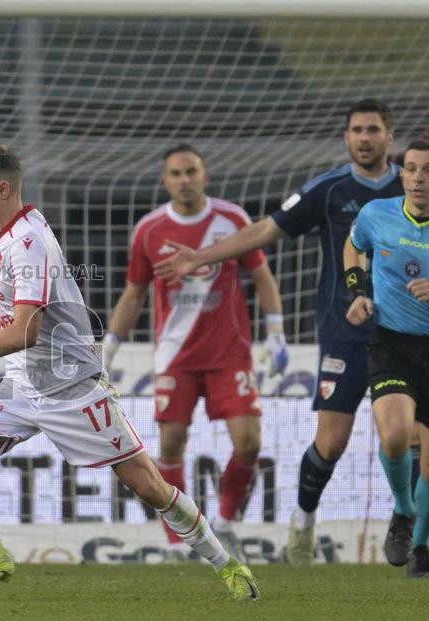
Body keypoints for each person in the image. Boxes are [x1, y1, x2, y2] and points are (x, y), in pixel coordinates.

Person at [0, 146, 259, 600]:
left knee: (150, 486)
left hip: (70, 389)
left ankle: (226, 563)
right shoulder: (2, 236)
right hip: (22, 386)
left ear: (3, 189)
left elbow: (26, 333)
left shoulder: (29, 243)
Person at [153, 99, 409, 566]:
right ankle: (304, 520)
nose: (365, 137)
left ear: (391, 137)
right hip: (345, 331)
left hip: (408, 332)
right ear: (346, 137)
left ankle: (410, 526)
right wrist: (202, 257)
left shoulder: (413, 184)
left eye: (374, 129)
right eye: (357, 130)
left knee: (408, 436)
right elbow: (268, 229)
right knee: (331, 441)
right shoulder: (329, 190)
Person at [104, 145, 288, 560]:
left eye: (191, 171)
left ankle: (222, 524)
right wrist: (110, 347)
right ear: (165, 180)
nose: (184, 180)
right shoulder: (149, 230)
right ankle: (179, 542)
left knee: (249, 444)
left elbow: (261, 275)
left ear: (205, 175)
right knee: (170, 445)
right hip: (175, 356)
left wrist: (276, 330)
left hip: (230, 353)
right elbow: (134, 293)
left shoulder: (233, 219)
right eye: (176, 173)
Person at [344, 140, 429, 577]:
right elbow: (353, 244)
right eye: (412, 169)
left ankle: (421, 546)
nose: (418, 178)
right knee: (395, 435)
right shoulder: (378, 214)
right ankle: (403, 509)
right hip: (392, 343)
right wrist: (358, 290)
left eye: (427, 171)